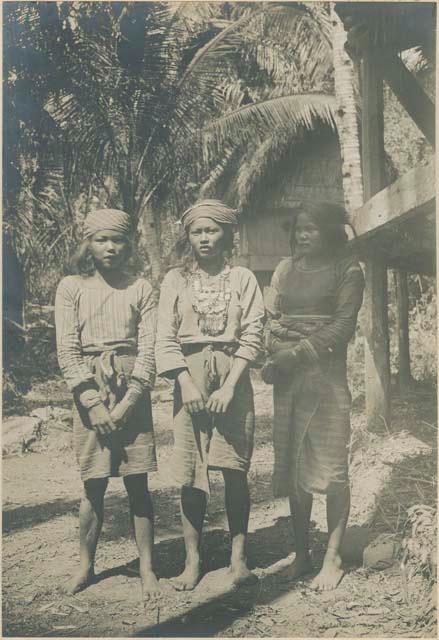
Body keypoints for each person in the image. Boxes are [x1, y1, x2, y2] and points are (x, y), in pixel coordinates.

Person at [155, 199, 264, 591]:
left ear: (227, 234)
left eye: (212, 230)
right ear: (188, 236)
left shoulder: (244, 279)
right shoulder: (175, 281)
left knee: (234, 468)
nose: (205, 238)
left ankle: (239, 560)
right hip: (189, 378)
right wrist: (185, 383)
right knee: (191, 474)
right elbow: (164, 338)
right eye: (198, 231)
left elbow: (252, 333)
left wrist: (231, 385)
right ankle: (193, 561)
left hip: (233, 376)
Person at [55, 208, 160, 603]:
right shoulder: (71, 287)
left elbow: (149, 350)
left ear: (128, 244)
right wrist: (93, 403)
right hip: (90, 387)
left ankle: (147, 567)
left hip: (133, 387)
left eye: (117, 240)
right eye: (102, 240)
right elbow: (66, 348)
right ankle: (86, 564)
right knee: (93, 484)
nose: (110, 247)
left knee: (138, 482)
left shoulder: (141, 288)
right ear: (89, 244)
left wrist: (130, 401)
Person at [262, 201, 364, 591]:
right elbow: (268, 322)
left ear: (330, 232)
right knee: (294, 465)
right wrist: (280, 344)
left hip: (326, 380)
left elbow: (342, 328)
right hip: (289, 381)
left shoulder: (348, 270)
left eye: (312, 229)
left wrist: (296, 349)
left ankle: (333, 557)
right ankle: (302, 553)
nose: (303, 236)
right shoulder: (284, 270)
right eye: (299, 229)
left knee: (332, 467)